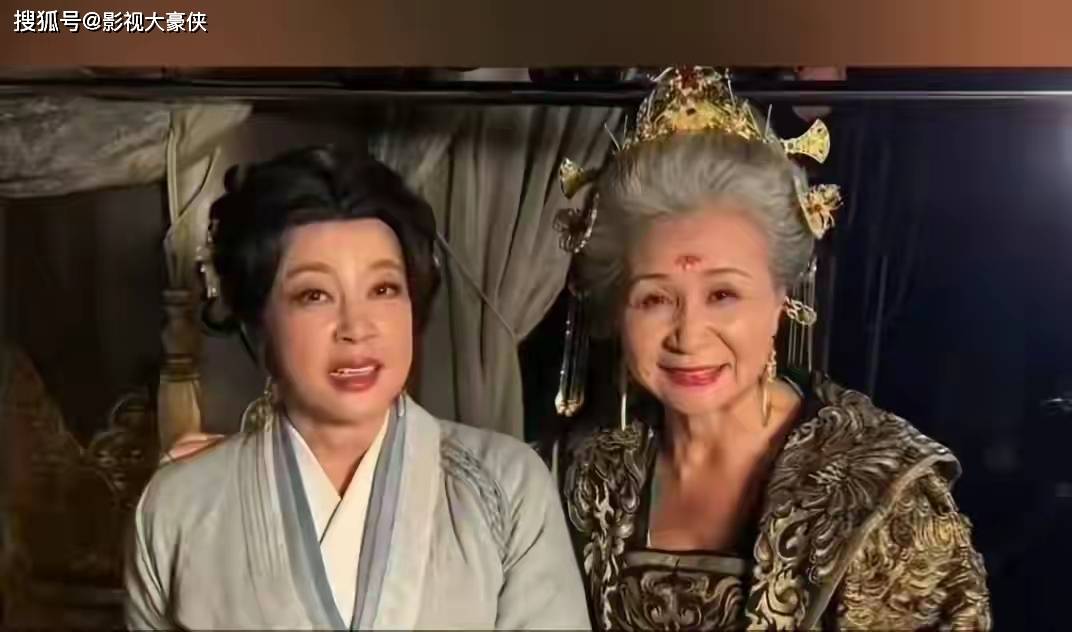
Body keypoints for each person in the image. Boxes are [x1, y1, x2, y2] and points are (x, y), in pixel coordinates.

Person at [549, 68, 992, 630]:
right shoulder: (581, 474)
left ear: (782, 297)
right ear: (618, 309)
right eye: (655, 299)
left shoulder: (883, 493)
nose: (689, 334)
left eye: (723, 295)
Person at [124, 146, 591, 630]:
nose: (356, 327)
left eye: (383, 289)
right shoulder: (181, 506)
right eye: (314, 295)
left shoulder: (507, 487)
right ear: (258, 323)